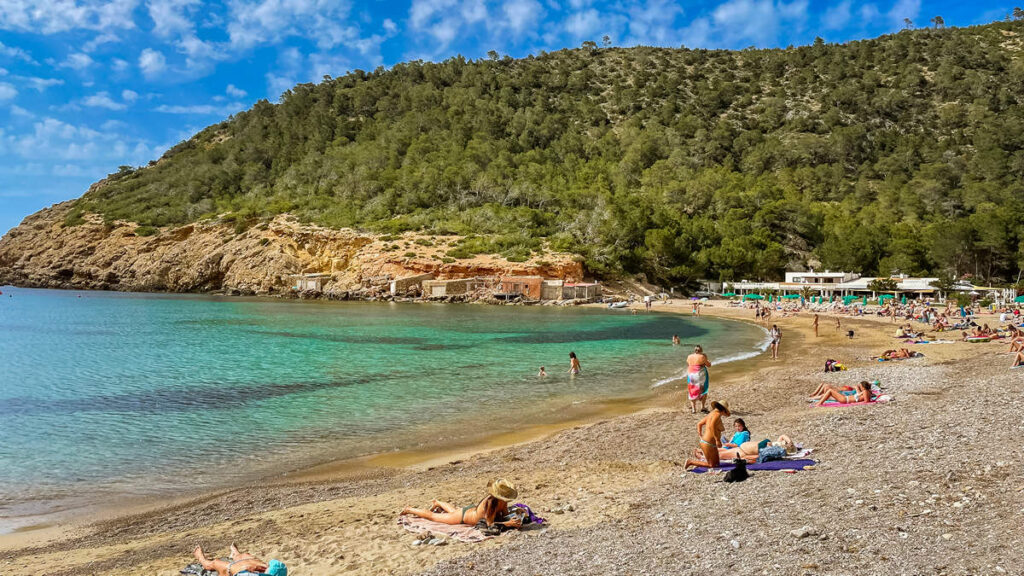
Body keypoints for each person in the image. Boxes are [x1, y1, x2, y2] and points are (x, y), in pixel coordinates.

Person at [401, 479, 522, 528]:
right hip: (463, 518)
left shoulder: (503, 501)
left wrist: (517, 515)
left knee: (453, 511)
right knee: (433, 516)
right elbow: (490, 524)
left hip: (470, 511)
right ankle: (409, 509)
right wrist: (510, 523)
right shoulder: (491, 503)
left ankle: (437, 502)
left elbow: (504, 515)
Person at [684, 400, 730, 469]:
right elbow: (712, 426)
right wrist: (717, 440)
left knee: (717, 464)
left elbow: (699, 424)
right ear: (723, 409)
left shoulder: (711, 414)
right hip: (708, 443)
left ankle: (698, 461)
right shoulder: (717, 415)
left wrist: (700, 435)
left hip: (708, 442)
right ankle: (690, 462)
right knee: (712, 465)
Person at [192, 544, 287, 576]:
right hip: (238, 567)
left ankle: (200, 557)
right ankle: (235, 553)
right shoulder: (261, 566)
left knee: (213, 563)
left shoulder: (246, 573)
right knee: (246, 556)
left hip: (231, 570)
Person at [686, 345, 712, 413]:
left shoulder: (689, 356)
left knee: (692, 390)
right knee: (703, 389)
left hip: (691, 374)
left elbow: (688, 364)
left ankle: (693, 409)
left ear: (694, 350)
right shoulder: (702, 356)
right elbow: (709, 365)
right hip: (700, 374)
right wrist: (706, 359)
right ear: (701, 350)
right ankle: (702, 407)